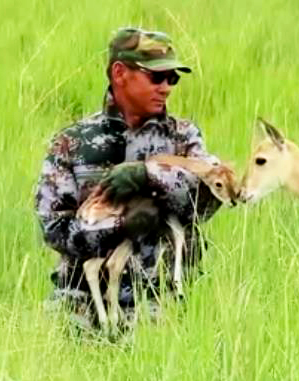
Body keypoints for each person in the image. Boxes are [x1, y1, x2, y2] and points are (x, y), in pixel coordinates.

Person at [34, 27, 224, 333]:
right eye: (156, 77)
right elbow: (54, 228)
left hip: (163, 307)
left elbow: (209, 195)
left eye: (172, 78)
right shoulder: (72, 143)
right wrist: (121, 225)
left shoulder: (183, 137)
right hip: (81, 305)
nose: (166, 87)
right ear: (120, 73)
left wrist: (149, 175)